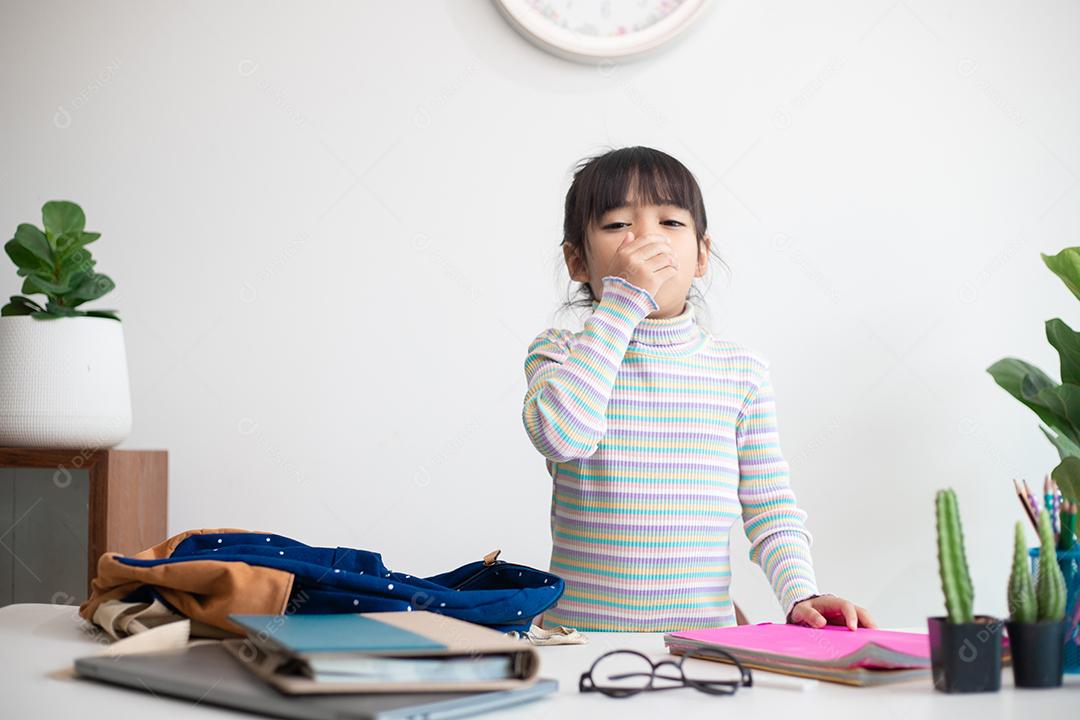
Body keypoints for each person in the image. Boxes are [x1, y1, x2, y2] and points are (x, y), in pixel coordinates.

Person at [521, 146, 875, 633]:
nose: (646, 239)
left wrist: (801, 595)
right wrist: (623, 304)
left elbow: (770, 508)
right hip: (579, 644)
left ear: (702, 254)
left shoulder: (740, 373)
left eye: (670, 222)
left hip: (702, 648)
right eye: (618, 225)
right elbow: (562, 436)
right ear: (578, 261)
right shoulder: (560, 354)